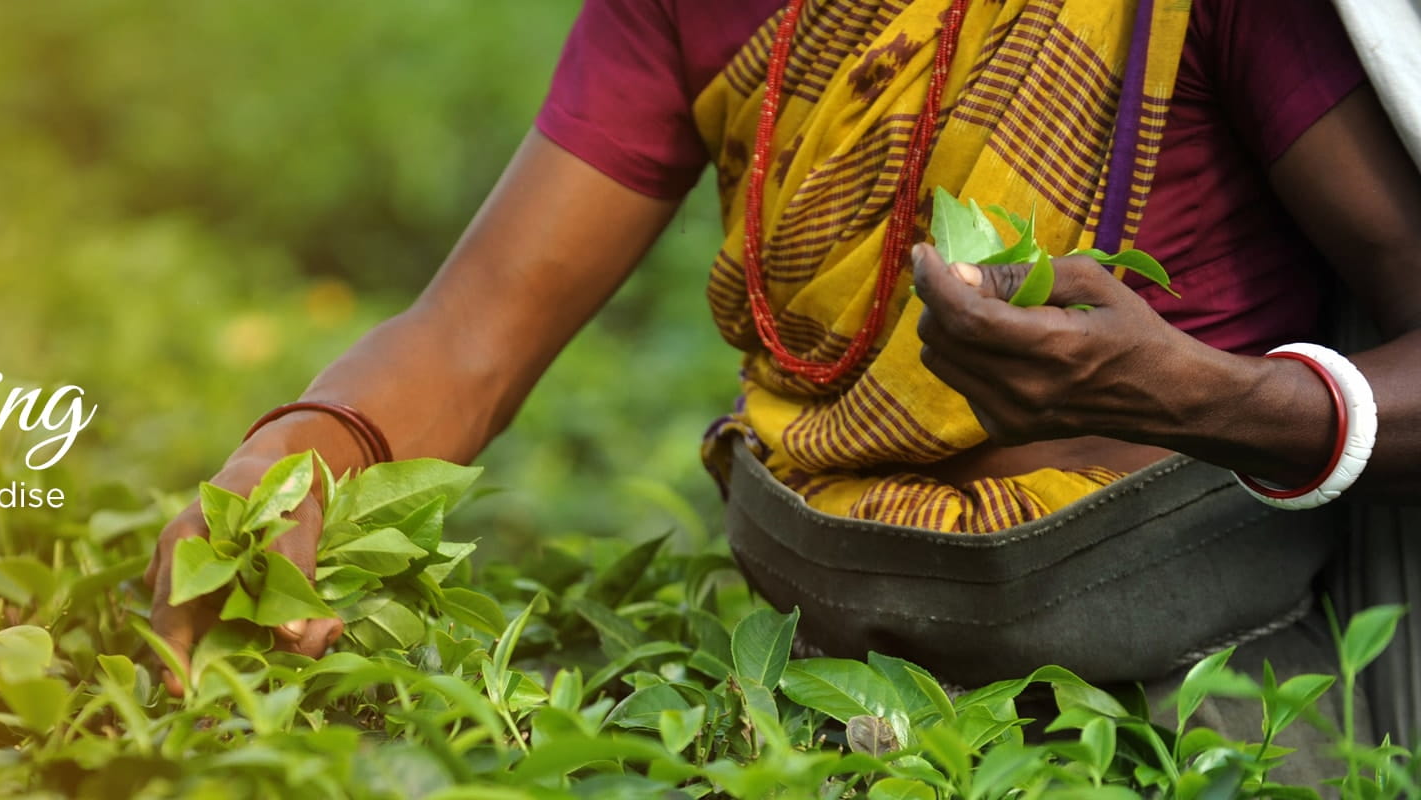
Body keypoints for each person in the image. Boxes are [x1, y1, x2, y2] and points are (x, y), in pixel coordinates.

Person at [143, 0, 1421, 750]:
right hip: (810, 682)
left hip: (1189, 708)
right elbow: (473, 333)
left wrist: (1208, 399)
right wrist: (289, 461)